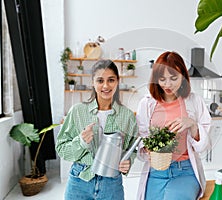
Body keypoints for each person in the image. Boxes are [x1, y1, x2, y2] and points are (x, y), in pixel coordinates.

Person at [56, 60, 138, 200]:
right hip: (80, 181)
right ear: (93, 82)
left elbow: (133, 149)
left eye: (111, 80)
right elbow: (61, 149)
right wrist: (81, 142)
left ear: (117, 82)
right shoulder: (77, 111)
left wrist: (128, 161)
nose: (105, 86)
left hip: (111, 184)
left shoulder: (128, 116)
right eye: (100, 80)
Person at [136, 51, 211, 200]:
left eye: (174, 78)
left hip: (185, 171)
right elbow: (141, 139)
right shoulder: (147, 104)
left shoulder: (194, 101)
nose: (167, 84)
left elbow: (203, 146)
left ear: (183, 76)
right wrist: (148, 149)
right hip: (156, 172)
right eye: (162, 79)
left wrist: (192, 124)